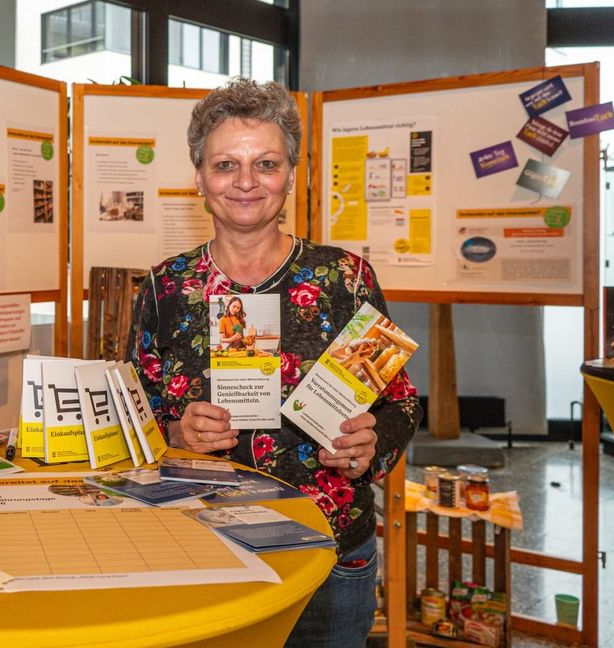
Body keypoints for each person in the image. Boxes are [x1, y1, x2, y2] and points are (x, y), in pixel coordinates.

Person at [125, 78, 421, 647]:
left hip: (330, 552)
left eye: (265, 163)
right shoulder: (167, 287)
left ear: (290, 175)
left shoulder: (344, 279)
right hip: (197, 545)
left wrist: (371, 444)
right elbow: (129, 418)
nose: (244, 182)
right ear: (199, 178)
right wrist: (173, 431)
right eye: (225, 164)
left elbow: (399, 400)